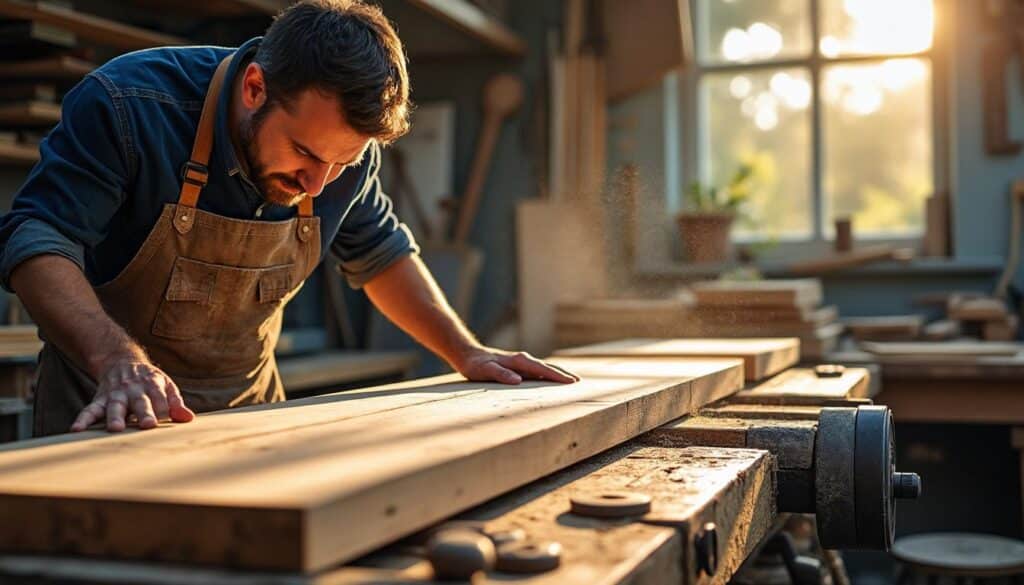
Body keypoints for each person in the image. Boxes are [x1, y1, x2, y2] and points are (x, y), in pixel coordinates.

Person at [0, 0, 578, 437]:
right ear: (255, 88)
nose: (318, 184)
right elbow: (37, 240)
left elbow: (380, 254)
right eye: (304, 152)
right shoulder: (130, 105)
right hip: (111, 411)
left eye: (341, 163)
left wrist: (465, 351)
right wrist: (117, 360)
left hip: (249, 420)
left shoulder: (342, 155)